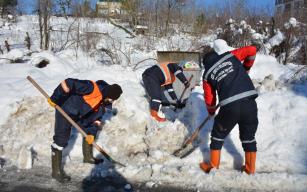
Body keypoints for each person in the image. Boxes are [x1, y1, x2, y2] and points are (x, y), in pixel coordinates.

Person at [47, 78, 123, 182]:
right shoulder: (91, 87)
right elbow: (68, 82)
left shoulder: (103, 103)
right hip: (65, 110)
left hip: (80, 114)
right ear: (108, 94)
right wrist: (55, 98)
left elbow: (96, 119)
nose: (112, 101)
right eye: (112, 99)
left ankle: (88, 157)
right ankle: (56, 172)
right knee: (61, 139)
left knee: (91, 130)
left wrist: (91, 133)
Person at [199, 42, 258, 175]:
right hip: (250, 103)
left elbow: (210, 98)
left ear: (205, 63)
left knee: (217, 136)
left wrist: (212, 111)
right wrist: (246, 67)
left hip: (230, 107)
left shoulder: (207, 74)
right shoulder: (230, 56)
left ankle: (213, 167)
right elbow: (252, 50)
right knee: (248, 137)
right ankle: (250, 170)